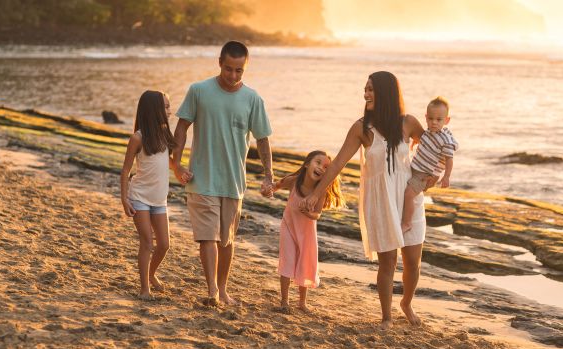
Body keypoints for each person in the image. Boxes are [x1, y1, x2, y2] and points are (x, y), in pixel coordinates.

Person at [301, 71, 436, 329]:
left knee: (412, 262)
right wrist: (316, 194)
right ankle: (386, 317)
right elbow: (338, 163)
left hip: (409, 199)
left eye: (371, 89)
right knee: (388, 262)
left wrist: (430, 177)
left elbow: (432, 146)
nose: (366, 94)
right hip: (381, 202)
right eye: (365, 89)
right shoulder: (361, 128)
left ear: (386, 92)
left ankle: (406, 303)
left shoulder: (408, 123)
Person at [172, 40, 274, 306]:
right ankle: (212, 291)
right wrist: (177, 163)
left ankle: (223, 288)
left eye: (239, 71)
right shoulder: (198, 91)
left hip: (233, 181)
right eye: (228, 69)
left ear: (245, 68)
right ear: (220, 62)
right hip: (201, 178)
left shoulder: (253, 99)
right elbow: (182, 127)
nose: (232, 75)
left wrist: (268, 176)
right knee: (208, 237)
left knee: (226, 241)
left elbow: (262, 139)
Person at [120, 90, 182, 300]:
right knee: (147, 242)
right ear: (154, 110)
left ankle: (152, 273)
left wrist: (181, 171)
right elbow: (126, 170)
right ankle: (144, 289)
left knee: (164, 244)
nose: (169, 110)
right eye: (165, 107)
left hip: (159, 199)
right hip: (139, 197)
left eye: (169, 106)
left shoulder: (165, 135)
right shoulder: (138, 137)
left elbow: (169, 162)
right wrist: (124, 198)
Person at [273, 150, 346, 312]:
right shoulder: (293, 182)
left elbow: (317, 214)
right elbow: (277, 185)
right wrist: (270, 189)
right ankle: (284, 301)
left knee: (305, 264)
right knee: (287, 261)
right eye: (318, 163)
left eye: (326, 167)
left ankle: (302, 302)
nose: (321, 168)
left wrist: (308, 213)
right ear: (307, 164)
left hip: (306, 234)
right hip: (289, 227)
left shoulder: (320, 192)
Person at [401, 96, 458, 233]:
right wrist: (417, 142)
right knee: (403, 191)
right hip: (414, 168)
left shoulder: (446, 140)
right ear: (426, 117)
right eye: (431, 119)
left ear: (447, 120)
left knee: (408, 195)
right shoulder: (429, 132)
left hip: (424, 175)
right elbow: (425, 141)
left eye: (439, 120)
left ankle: (407, 223)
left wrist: (446, 177)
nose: (434, 123)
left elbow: (449, 159)